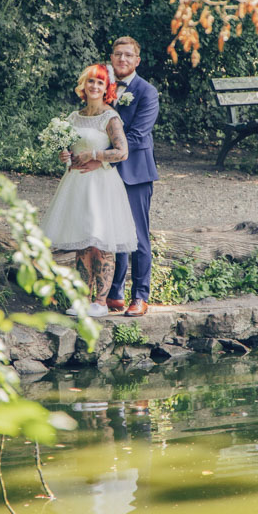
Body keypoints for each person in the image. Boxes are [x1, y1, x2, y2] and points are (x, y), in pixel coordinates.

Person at [41, 63, 138, 318]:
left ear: (106, 88)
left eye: (100, 83)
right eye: (90, 82)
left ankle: (101, 302)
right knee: (83, 241)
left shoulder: (110, 117)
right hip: (78, 184)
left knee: (101, 241)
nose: (94, 86)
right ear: (83, 85)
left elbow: (122, 152)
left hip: (102, 184)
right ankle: (82, 299)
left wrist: (95, 154)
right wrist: (67, 156)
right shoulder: (74, 117)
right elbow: (72, 151)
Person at [71, 37, 158, 317]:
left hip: (133, 172)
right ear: (111, 56)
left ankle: (140, 296)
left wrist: (98, 156)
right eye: (118, 54)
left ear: (137, 61)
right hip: (103, 177)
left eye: (128, 55)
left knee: (137, 236)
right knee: (109, 234)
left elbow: (136, 135)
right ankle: (114, 294)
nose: (122, 59)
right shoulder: (102, 84)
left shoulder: (147, 92)